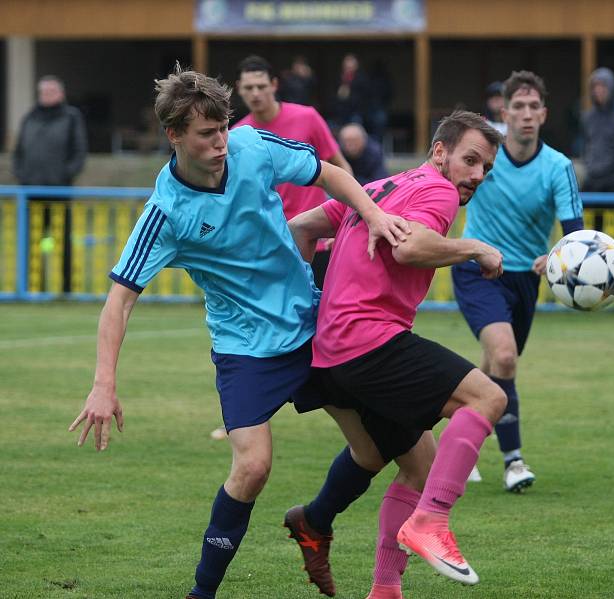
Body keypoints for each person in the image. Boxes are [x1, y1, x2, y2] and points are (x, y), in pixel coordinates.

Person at [67, 66, 408, 599]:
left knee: (371, 453)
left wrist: (373, 213)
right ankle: (202, 594)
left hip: (308, 323)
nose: (222, 141)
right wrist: (103, 384)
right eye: (207, 133)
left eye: (223, 127)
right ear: (174, 136)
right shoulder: (165, 212)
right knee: (252, 466)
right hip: (245, 347)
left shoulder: (251, 144)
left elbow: (328, 173)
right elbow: (119, 301)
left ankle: (313, 523)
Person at [285, 111, 507, 598]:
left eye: (486, 168)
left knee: (415, 464)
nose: (476, 175)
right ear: (440, 152)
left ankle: (382, 586)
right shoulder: (439, 190)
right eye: (470, 160)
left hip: (330, 351)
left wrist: (309, 306)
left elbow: (301, 227)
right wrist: (475, 248)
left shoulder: (381, 186)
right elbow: (410, 248)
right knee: (487, 399)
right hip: (369, 343)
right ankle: (432, 520)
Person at [452, 71, 584, 492]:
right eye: (518, 107)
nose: (526, 115)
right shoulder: (483, 159)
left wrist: (557, 256)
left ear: (543, 114)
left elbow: (576, 236)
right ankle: (513, 462)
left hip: (526, 278)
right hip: (478, 270)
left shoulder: (558, 167)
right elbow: (445, 186)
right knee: (505, 358)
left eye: (533, 107)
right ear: (504, 112)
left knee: (493, 367)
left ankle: (459, 442)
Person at [232, 55, 352, 289]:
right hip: (270, 245)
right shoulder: (237, 135)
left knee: (323, 319)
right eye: (249, 87)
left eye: (261, 86)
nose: (255, 93)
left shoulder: (307, 117)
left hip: (315, 239)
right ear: (239, 90)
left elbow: (341, 167)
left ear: (274, 85)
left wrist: (343, 221)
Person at [13, 75, 88, 293]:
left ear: (61, 94)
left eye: (51, 92)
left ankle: (66, 288)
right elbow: (18, 151)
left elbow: (79, 151)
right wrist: (22, 175)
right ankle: (32, 287)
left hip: (59, 191)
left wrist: (65, 176)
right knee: (31, 241)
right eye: (43, 92)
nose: (46, 96)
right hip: (30, 191)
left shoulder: (71, 117)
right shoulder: (30, 117)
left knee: (62, 241)